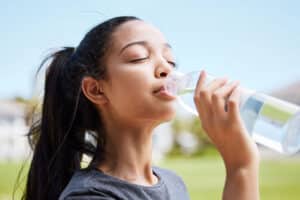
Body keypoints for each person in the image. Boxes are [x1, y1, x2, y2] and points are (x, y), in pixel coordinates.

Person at [22, 16, 260, 200]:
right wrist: (241, 167)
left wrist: (242, 166)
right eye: (139, 58)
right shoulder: (90, 195)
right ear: (96, 89)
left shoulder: (172, 182)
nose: (166, 69)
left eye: (171, 60)